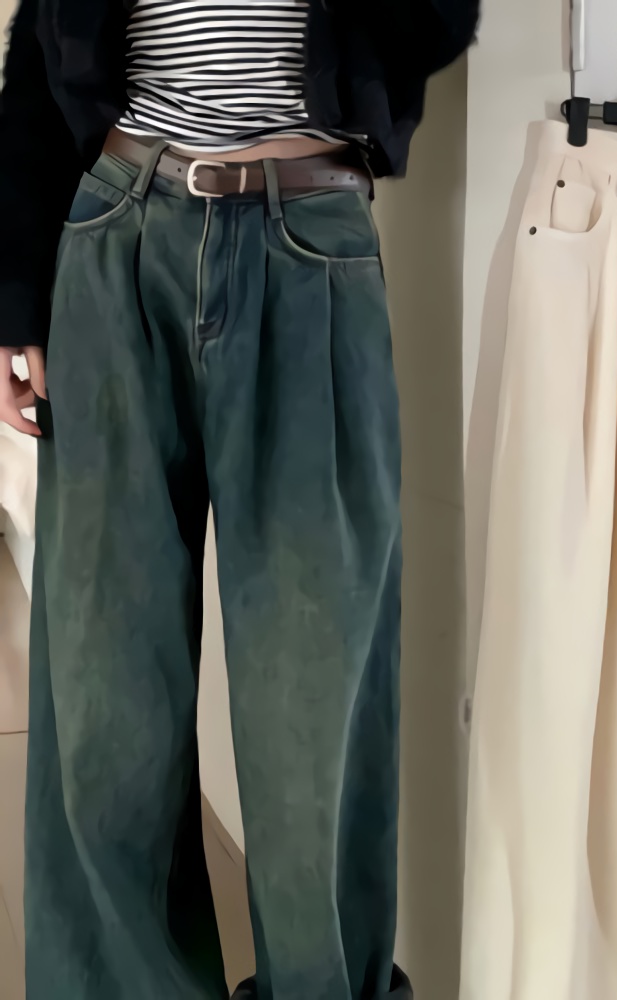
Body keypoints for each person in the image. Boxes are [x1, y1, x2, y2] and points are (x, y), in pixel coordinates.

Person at [0, 1, 478, 997]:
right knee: (102, 693)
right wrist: (14, 293)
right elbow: (38, 52)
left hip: (311, 243)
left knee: (315, 696)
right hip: (116, 234)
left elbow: (434, 22)